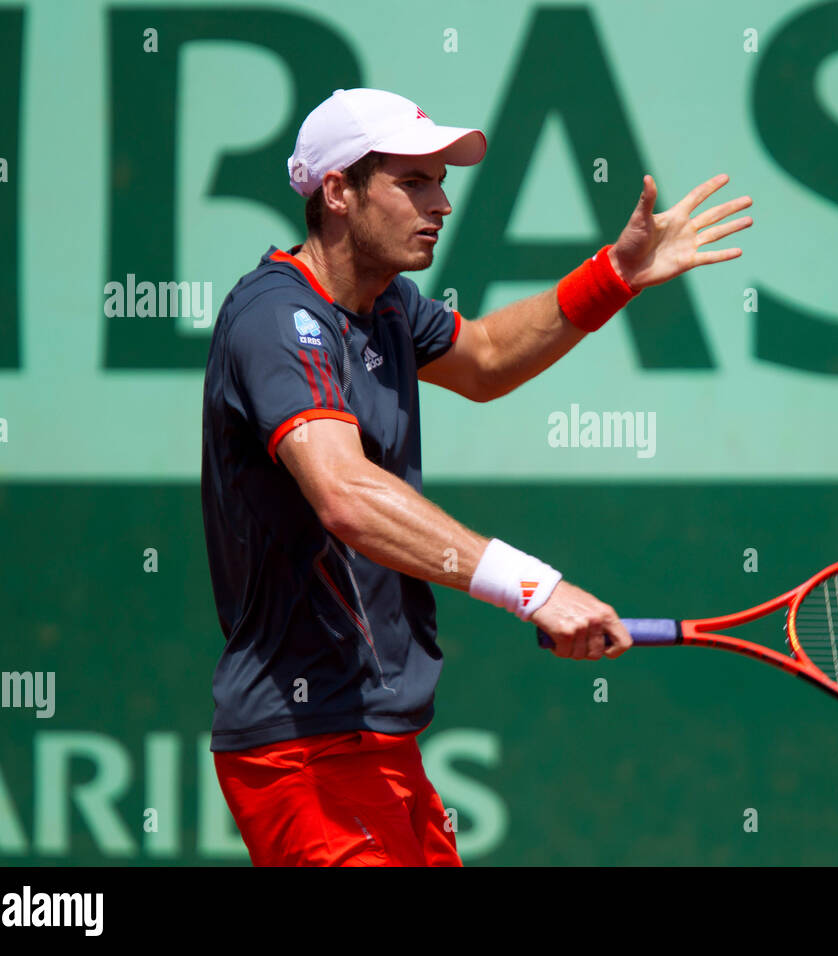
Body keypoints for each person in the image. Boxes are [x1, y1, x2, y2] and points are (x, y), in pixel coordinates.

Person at [200, 88, 752, 866]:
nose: (442, 204)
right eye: (414, 182)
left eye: (441, 181)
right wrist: (534, 588)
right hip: (302, 752)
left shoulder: (384, 306)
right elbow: (345, 496)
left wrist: (615, 275)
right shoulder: (276, 320)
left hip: (382, 741)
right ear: (336, 191)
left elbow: (488, 359)